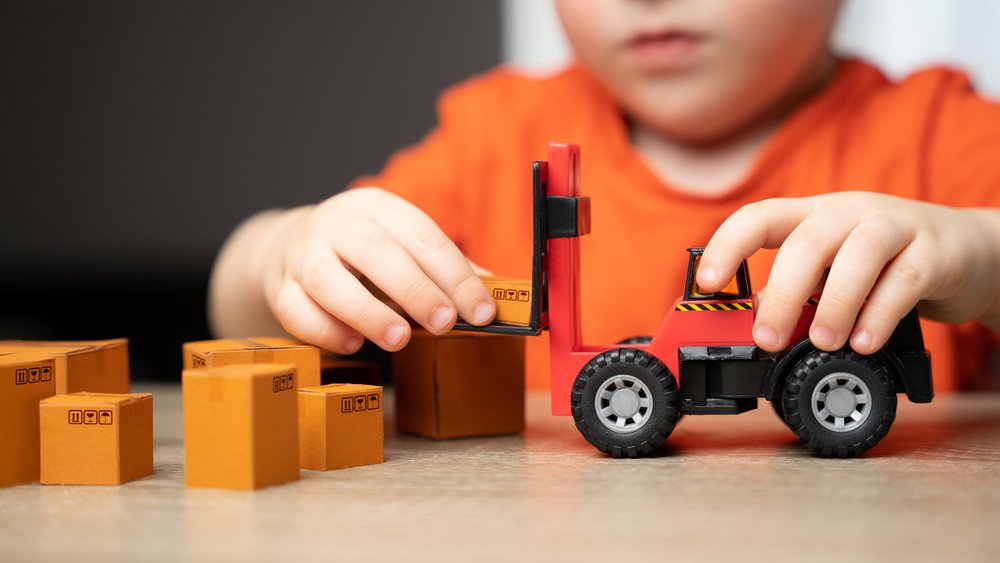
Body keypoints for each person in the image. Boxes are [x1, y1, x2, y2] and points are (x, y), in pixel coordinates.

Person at [210, 0, 1000, 392]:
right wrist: (285, 250)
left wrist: (975, 253)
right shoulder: (495, 131)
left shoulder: (938, 132)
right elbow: (238, 305)